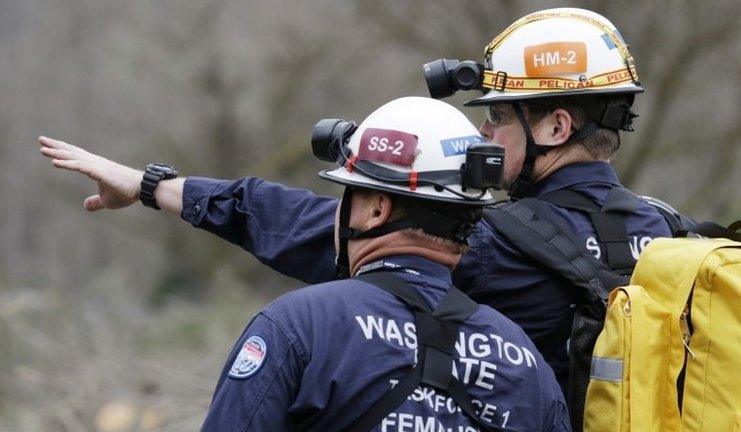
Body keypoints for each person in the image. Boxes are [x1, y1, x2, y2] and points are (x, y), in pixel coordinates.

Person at [39, 6, 687, 412]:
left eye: (500, 120)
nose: (488, 138)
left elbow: (305, 226)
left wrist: (152, 186)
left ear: (555, 127)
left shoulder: (495, 244)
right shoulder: (672, 241)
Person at [60, 97, 572, 430]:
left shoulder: (295, 329)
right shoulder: (525, 362)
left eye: (348, 195)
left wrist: (154, 187)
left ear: (375, 208)